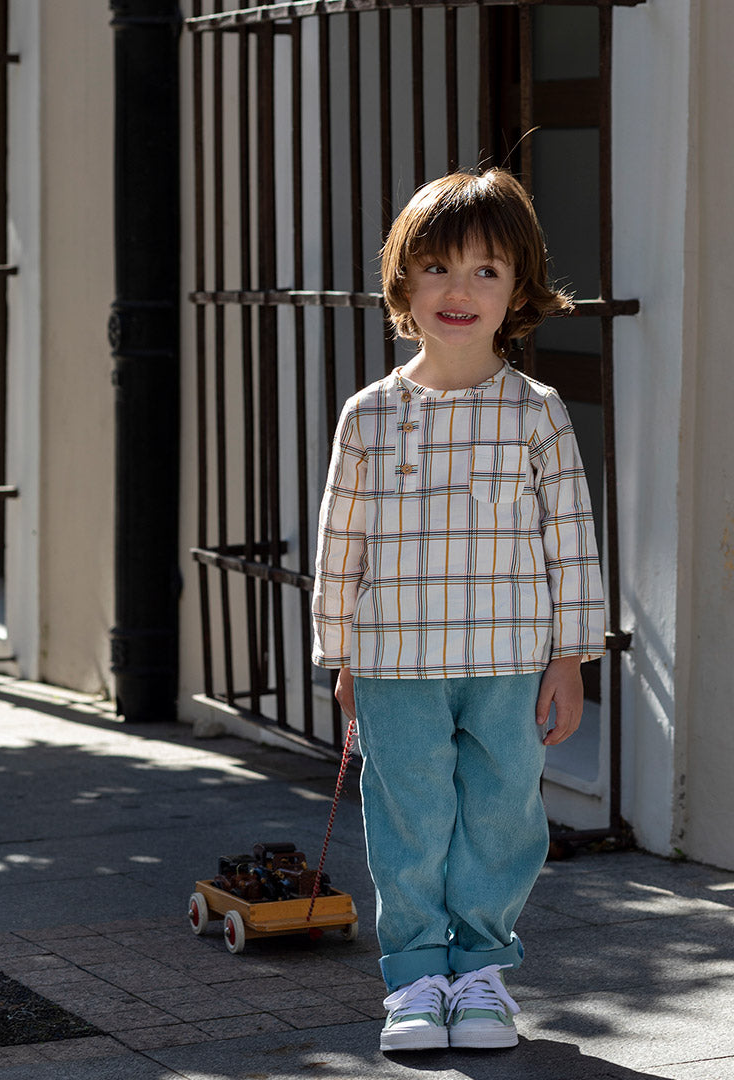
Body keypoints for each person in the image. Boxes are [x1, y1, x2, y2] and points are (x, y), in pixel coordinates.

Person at [311, 168, 605, 1053]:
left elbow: (573, 542)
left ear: (519, 288)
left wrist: (571, 659)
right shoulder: (369, 418)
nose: (459, 290)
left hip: (511, 662)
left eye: (486, 270)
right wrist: (342, 658)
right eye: (437, 267)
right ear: (404, 282)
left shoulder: (538, 416)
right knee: (407, 820)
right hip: (396, 663)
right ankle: (415, 980)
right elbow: (340, 547)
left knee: (503, 815)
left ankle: (479, 974)